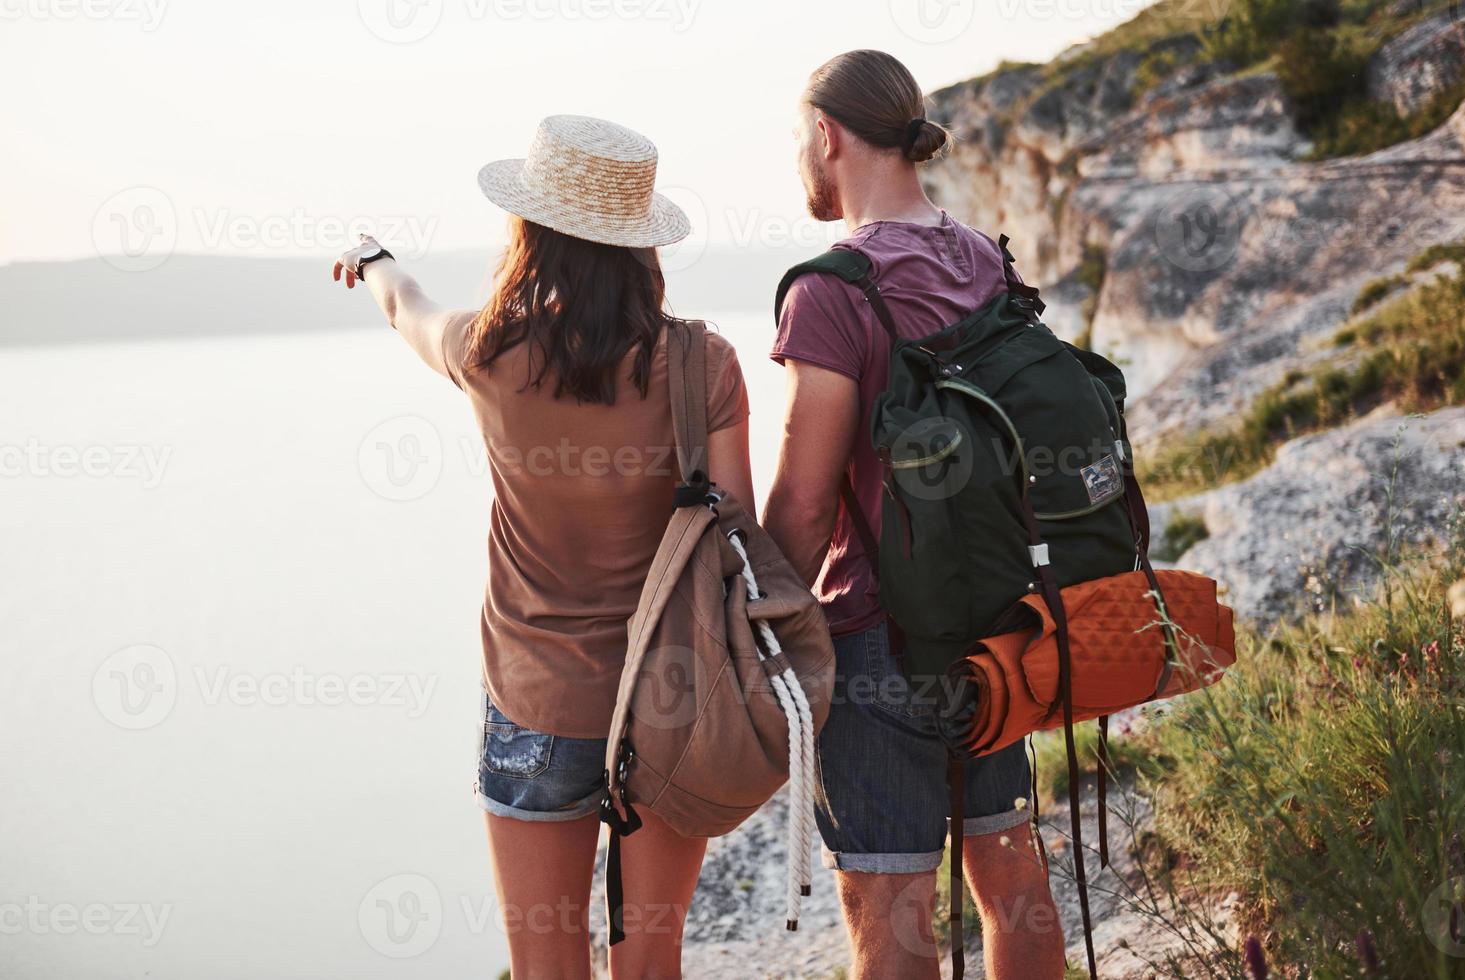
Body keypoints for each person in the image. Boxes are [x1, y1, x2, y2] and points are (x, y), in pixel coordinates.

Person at [331, 114, 754, 980]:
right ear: (639, 241)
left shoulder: (487, 352)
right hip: (673, 696)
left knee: (545, 963)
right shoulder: (703, 364)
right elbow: (740, 532)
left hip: (536, 702)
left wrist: (375, 258)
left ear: (531, 232)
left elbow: (405, 309)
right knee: (650, 962)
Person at [762, 51, 1066, 980]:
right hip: (995, 624)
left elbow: (808, 504)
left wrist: (758, 616)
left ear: (827, 136)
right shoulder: (983, 255)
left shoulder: (829, 288)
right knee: (1012, 885)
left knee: (892, 926)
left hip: (877, 638)